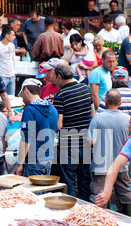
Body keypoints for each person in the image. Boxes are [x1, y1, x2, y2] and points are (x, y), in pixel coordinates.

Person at [88, 89, 131, 215]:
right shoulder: (127, 119)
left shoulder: (98, 118)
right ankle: (130, 219)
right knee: (125, 192)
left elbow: (91, 141)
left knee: (98, 193)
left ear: (105, 102)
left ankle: (97, 220)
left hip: (101, 164)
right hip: (121, 163)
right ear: (120, 103)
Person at [52, 64, 93, 201]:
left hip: (68, 144)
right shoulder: (85, 88)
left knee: (69, 180)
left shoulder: (60, 95)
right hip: (86, 141)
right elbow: (92, 114)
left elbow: (59, 124)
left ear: (59, 76)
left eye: (54, 78)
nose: (53, 81)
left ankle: (71, 210)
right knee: (84, 179)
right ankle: (86, 210)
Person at [14, 78, 58, 176]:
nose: (22, 99)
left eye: (22, 95)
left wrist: (20, 164)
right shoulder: (53, 109)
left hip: (34, 161)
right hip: (48, 159)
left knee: (31, 191)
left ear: (26, 90)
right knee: (43, 190)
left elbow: (26, 140)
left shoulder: (30, 110)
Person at [0, 27, 16, 96]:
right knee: (0, 98)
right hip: (2, 76)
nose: (14, 37)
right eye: (13, 35)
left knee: (12, 98)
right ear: (7, 35)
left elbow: (12, 59)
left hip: (12, 76)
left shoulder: (12, 46)